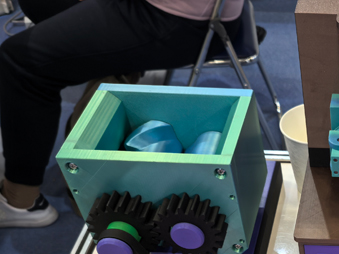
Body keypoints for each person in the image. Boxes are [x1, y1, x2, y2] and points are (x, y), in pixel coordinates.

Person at [0, 0, 243, 228]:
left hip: (182, 20)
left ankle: (21, 199)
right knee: (40, 3)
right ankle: (117, 75)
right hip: (171, 10)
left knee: (19, 61)